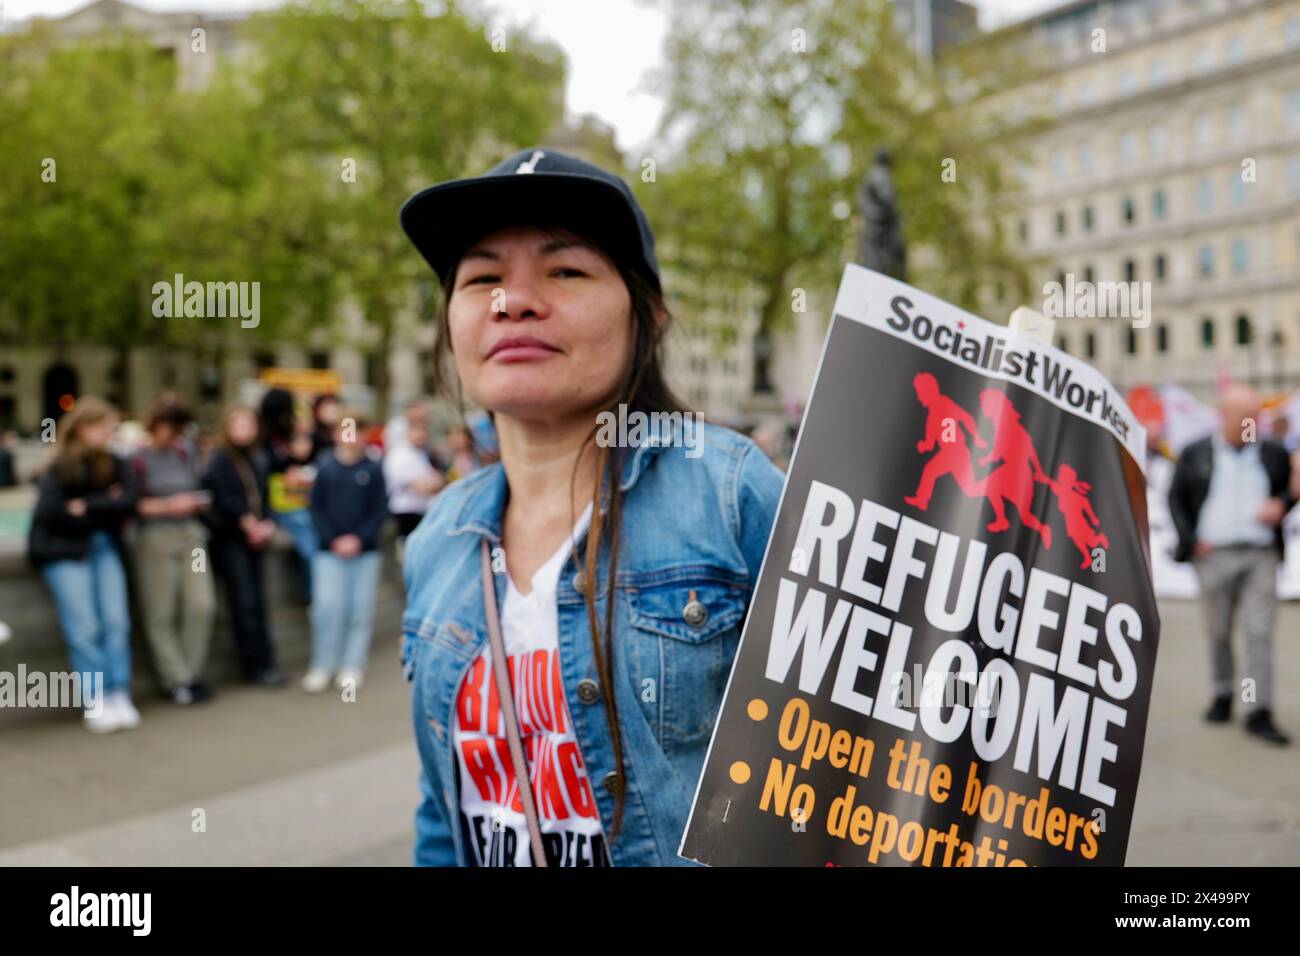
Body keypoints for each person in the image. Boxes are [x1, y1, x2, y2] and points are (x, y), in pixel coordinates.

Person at [398, 147, 784, 866]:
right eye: (481, 279)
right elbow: (441, 815)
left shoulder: (733, 496)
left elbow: (855, 773)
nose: (512, 301)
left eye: (565, 271)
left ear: (650, 315)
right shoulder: (437, 540)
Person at [1169, 383, 1292, 745]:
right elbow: (1176, 498)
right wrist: (1191, 540)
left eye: (1256, 417)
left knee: (1257, 634)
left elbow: (1289, 489)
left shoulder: (1270, 452)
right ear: (1224, 417)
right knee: (1219, 632)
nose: (1252, 424)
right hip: (1213, 555)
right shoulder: (1195, 454)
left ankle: (1256, 708)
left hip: (1259, 554)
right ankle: (1223, 693)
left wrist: (1282, 504)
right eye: (1245, 418)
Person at [27, 396, 141, 732]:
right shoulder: (58, 464)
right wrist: (106, 504)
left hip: (103, 547)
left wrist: (86, 506)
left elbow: (130, 502)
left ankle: (119, 690)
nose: (111, 433)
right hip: (65, 551)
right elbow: (51, 512)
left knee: (116, 622)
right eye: (106, 427)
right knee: (85, 627)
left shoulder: (117, 462)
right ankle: (96, 697)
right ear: (83, 428)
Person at [132, 392, 216, 705]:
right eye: (169, 426)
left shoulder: (187, 451)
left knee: (200, 604)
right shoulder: (137, 457)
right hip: (155, 539)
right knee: (160, 613)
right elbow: (131, 504)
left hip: (190, 536)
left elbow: (198, 485)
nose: (173, 434)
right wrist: (170, 505)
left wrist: (194, 502)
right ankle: (178, 680)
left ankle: (190, 673)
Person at [303, 409, 389, 693]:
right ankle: (323, 663)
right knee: (328, 607)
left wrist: (359, 539)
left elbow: (379, 511)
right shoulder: (326, 468)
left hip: (365, 552)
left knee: (359, 608)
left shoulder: (374, 469)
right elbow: (316, 509)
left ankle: (352, 664)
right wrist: (334, 539)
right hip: (329, 551)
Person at [202, 405, 285, 687]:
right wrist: (244, 522)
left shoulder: (258, 457)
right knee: (244, 603)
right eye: (238, 425)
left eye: (248, 425)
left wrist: (267, 523)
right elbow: (218, 500)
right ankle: (254, 665)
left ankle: (265, 662)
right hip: (232, 540)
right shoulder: (219, 460)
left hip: (254, 537)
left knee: (258, 602)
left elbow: (265, 496)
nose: (244, 430)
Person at [260, 388, 319, 594]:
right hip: (281, 503)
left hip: (295, 496)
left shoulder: (286, 435)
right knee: (309, 539)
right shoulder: (265, 438)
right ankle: (317, 594)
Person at [384, 418, 445, 542]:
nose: (422, 435)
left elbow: (440, 480)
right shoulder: (399, 454)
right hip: (406, 513)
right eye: (417, 430)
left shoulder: (420, 453)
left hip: (421, 510)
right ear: (407, 432)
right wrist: (434, 482)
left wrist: (436, 482)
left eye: (424, 431)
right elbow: (421, 488)